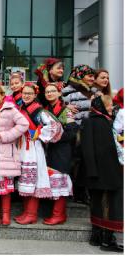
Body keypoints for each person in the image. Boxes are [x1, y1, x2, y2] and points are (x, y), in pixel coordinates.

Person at [13, 83, 65, 225]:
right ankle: (27, 212)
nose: (26, 96)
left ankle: (31, 214)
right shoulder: (21, 108)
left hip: (33, 148)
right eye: (24, 93)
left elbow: (55, 126)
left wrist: (38, 134)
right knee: (25, 181)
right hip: (22, 146)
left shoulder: (38, 111)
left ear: (35, 95)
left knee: (32, 181)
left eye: (30, 93)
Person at [0, 84, 28, 226]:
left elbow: (23, 124)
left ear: (2, 95)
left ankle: (6, 215)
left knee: (4, 182)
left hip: (5, 147)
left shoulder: (10, 109)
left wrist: (6, 136)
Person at [82, 95, 123, 250]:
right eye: (110, 105)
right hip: (103, 172)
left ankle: (98, 236)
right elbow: (87, 147)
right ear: (102, 105)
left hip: (103, 172)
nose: (112, 108)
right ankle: (106, 240)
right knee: (108, 204)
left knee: (100, 203)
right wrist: (92, 171)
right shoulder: (93, 121)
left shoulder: (104, 120)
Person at [42, 82, 77, 226]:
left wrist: (54, 137)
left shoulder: (66, 111)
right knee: (53, 182)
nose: (49, 93)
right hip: (49, 151)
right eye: (47, 92)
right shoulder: (44, 110)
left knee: (59, 182)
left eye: (52, 91)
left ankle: (59, 215)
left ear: (59, 93)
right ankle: (56, 213)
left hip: (62, 151)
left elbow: (72, 132)